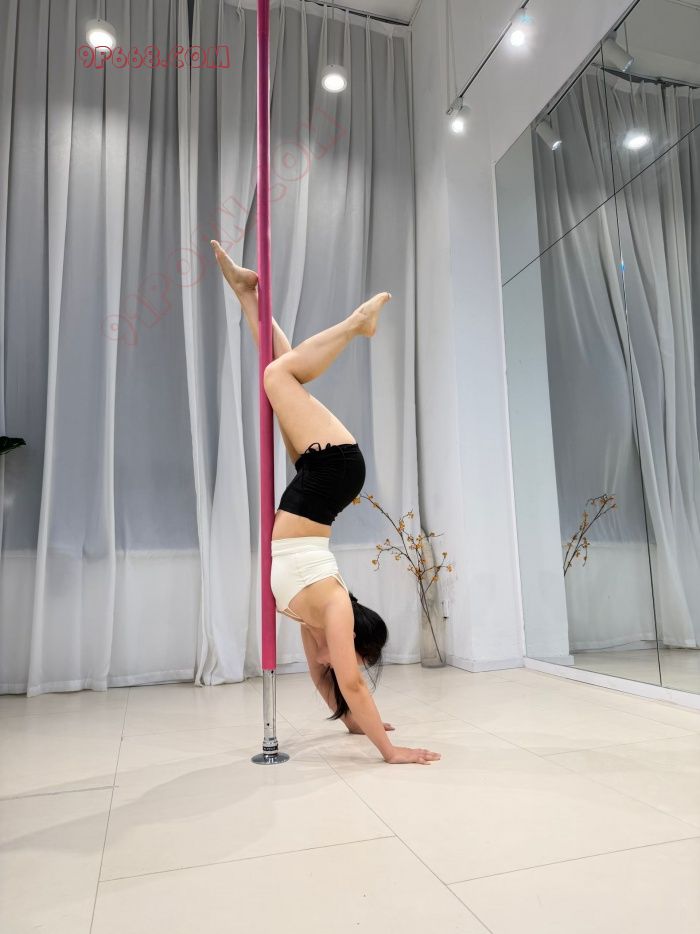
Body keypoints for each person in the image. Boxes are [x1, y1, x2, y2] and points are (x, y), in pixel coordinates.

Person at [211, 240, 441, 766]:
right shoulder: (333, 609)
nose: (346, 662)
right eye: (360, 654)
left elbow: (328, 681)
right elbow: (351, 682)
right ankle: (356, 324)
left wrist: (357, 724)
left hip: (315, 486)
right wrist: (391, 751)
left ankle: (247, 296)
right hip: (332, 473)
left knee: (280, 375)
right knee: (279, 377)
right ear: (354, 636)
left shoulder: (312, 622)